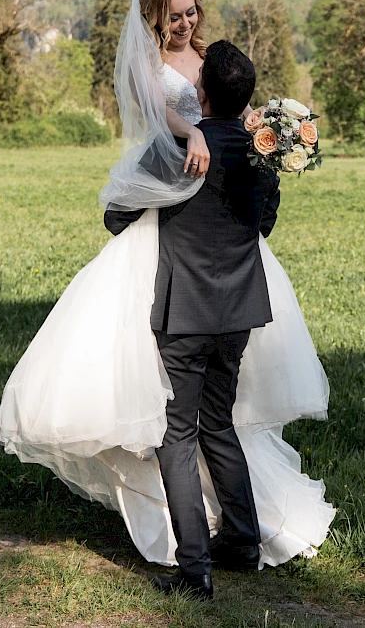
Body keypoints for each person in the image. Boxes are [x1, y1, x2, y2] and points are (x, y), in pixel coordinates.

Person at [0, 0, 334, 574]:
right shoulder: (151, 75)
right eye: (176, 17)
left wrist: (237, 138)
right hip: (216, 250)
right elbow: (164, 122)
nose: (187, 24)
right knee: (208, 415)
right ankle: (236, 536)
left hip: (193, 257)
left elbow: (124, 206)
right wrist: (201, 134)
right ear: (155, 20)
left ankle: (197, 557)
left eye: (193, 12)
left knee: (188, 422)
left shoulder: (211, 72)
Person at [105, 41, 280, 600]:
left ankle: (194, 569)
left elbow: (115, 216)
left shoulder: (175, 150)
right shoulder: (262, 154)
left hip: (184, 311)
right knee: (219, 422)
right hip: (239, 310)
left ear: (201, 94)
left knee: (175, 433)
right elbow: (265, 222)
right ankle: (244, 543)